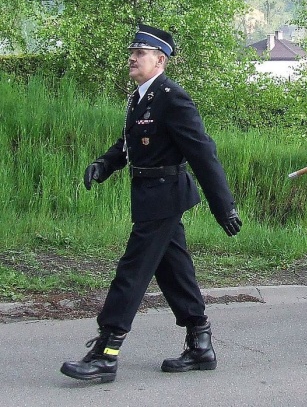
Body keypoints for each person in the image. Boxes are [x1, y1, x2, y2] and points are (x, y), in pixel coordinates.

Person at [61, 24, 242, 383]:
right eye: (132, 51)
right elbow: (129, 144)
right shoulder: (139, 97)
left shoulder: (173, 98)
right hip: (149, 196)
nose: (131, 57)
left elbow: (203, 153)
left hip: (165, 195)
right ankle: (200, 342)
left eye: (140, 53)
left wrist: (224, 207)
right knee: (173, 270)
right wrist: (104, 164)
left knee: (132, 271)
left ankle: (106, 353)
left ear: (159, 60)